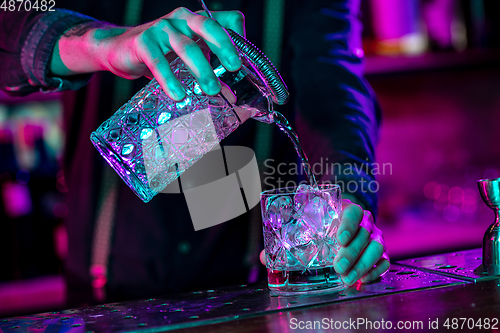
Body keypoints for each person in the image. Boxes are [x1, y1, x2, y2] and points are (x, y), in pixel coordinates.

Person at [0, 0, 388, 306]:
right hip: (106, 301)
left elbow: (336, 95)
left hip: (250, 296)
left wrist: (344, 205)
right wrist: (102, 44)